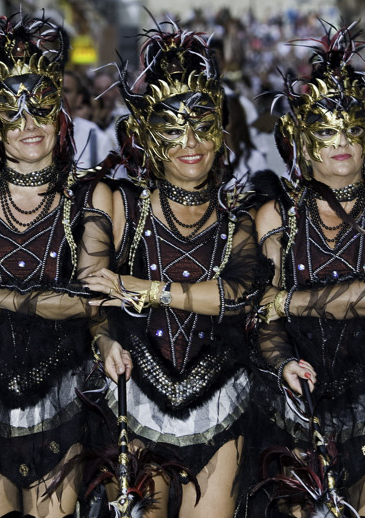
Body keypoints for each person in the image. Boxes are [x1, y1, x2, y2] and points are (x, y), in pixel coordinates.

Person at [84, 23, 266, 517]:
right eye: (172, 126)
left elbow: (239, 293)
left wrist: (139, 288)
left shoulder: (239, 217)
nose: (190, 141)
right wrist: (104, 342)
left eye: (203, 123)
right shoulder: (118, 203)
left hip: (220, 401)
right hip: (136, 399)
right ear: (145, 133)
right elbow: (93, 294)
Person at [0, 14, 112, 518]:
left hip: (64, 393)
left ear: (58, 111)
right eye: (12, 111)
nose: (29, 123)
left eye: (40, 106)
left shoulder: (88, 195)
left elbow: (92, 298)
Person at [251, 22, 365, 518]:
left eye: (350, 127)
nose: (339, 141)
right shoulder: (275, 213)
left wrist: (286, 301)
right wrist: (283, 362)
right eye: (325, 130)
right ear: (302, 140)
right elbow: (265, 317)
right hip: (296, 406)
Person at [64, 70, 114, 169]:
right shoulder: (36, 133)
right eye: (54, 90)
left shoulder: (95, 136)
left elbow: (111, 180)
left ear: (78, 99)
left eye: (66, 91)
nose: (59, 95)